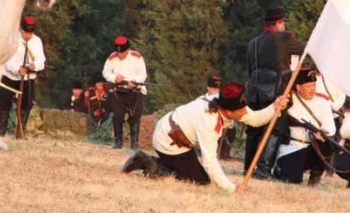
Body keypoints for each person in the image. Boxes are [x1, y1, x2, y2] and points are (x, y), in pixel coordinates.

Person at [122, 82, 290, 193]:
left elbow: (255, 119)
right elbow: (209, 160)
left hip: (179, 139)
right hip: (168, 142)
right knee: (200, 181)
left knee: (200, 177)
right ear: (229, 112)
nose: (245, 112)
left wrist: (274, 107)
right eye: (242, 110)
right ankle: (149, 164)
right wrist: (231, 188)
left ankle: (155, 162)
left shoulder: (226, 105)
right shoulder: (208, 121)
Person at [245, 6, 305, 179]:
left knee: (254, 129)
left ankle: (248, 167)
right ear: (279, 23)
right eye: (283, 22)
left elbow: (250, 71)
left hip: (254, 91)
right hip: (275, 90)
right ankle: (263, 170)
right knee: (277, 129)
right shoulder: (283, 38)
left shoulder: (253, 42)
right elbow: (305, 49)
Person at [274, 68, 335, 186]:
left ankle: (315, 175)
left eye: (314, 85)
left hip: (312, 149)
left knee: (328, 142)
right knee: (292, 180)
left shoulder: (323, 102)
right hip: (292, 148)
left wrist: (321, 133)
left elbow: (330, 127)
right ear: (298, 87)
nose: (312, 89)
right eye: (308, 86)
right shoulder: (289, 100)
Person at [0, 15, 45, 136]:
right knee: (4, 103)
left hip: (28, 78)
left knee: (27, 104)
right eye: (26, 32)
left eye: (30, 33)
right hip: (10, 76)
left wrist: (33, 66)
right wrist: (18, 69)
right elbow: (7, 59)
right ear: (21, 30)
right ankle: (1, 131)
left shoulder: (37, 41)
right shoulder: (12, 39)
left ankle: (21, 131)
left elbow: (41, 60)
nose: (28, 35)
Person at [102, 36, 147, 150]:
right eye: (118, 52)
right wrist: (114, 78)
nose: (120, 55)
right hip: (118, 90)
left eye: (122, 52)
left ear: (127, 50)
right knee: (117, 116)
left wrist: (135, 82)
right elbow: (106, 72)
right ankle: (118, 142)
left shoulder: (137, 57)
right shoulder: (112, 58)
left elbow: (143, 75)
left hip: (134, 90)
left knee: (135, 116)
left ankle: (134, 144)